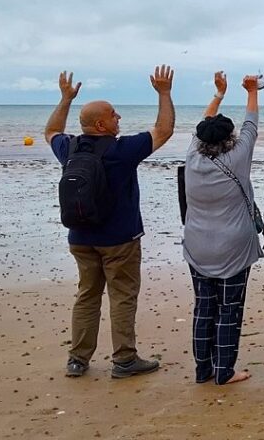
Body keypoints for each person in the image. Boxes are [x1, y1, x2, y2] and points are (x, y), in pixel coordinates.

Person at [44, 66, 175, 379]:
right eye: (114, 116)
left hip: (80, 235)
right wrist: (165, 93)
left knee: (87, 295)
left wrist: (65, 100)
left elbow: (50, 132)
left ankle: (78, 359)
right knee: (122, 295)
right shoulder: (120, 150)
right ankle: (125, 359)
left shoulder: (70, 148)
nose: (119, 119)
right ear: (101, 124)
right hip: (119, 239)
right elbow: (164, 130)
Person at [182, 72, 263, 385]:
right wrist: (252, 91)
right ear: (229, 138)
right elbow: (251, 124)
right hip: (233, 247)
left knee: (204, 308)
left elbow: (205, 122)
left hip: (197, 245)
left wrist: (218, 94)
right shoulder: (237, 157)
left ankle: (203, 370)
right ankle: (224, 371)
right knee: (229, 310)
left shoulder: (192, 156)